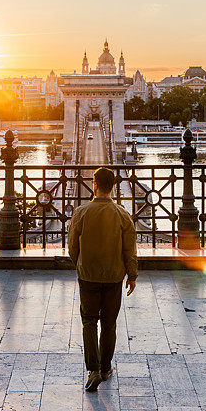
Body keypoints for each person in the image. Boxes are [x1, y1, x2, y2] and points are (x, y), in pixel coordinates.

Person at [68, 167, 137, 392]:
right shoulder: (122, 214)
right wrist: (132, 275)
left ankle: (93, 370)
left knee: (89, 321)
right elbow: (130, 249)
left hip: (87, 274)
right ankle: (106, 368)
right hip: (114, 275)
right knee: (109, 323)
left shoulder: (81, 212)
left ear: (94, 185)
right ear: (114, 187)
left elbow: (72, 246)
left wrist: (80, 263)